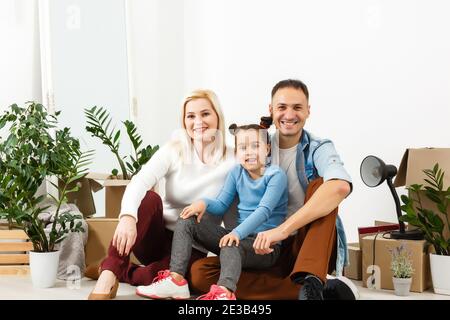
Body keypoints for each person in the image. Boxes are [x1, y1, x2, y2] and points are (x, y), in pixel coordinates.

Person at [190, 79, 359, 300]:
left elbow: (340, 187)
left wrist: (282, 231)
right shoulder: (256, 144)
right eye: (282, 107)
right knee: (200, 273)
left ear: (308, 111)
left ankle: (312, 279)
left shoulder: (319, 147)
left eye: (297, 107)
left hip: (305, 245)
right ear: (271, 110)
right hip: (261, 246)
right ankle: (309, 292)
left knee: (322, 187)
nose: (289, 115)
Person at [88, 89, 236, 300]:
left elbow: (234, 208)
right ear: (184, 121)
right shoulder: (174, 149)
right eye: (190, 116)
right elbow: (139, 181)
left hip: (193, 245)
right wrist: (128, 217)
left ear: (218, 116)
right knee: (149, 198)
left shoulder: (233, 160)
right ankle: (109, 273)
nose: (198, 122)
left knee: (157, 278)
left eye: (205, 114)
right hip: (156, 236)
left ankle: (114, 269)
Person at [135, 123, 288, 300]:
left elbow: (264, 211)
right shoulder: (237, 172)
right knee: (186, 220)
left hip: (265, 246)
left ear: (267, 148)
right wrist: (203, 203)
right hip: (238, 237)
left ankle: (224, 293)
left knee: (231, 245)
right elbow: (221, 204)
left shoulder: (276, 175)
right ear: (237, 152)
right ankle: (175, 280)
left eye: (255, 146)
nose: (249, 152)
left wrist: (236, 234)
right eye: (243, 147)